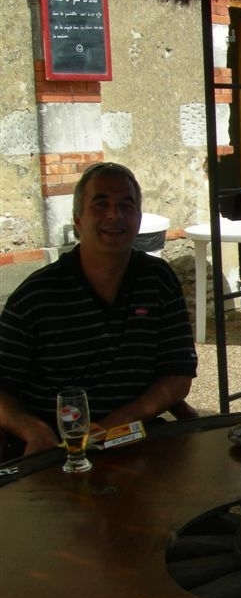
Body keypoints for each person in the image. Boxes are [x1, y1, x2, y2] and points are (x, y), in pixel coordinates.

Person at [0, 162, 198, 457]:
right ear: (78, 220)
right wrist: (32, 429)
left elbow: (178, 373)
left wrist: (115, 424)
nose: (114, 215)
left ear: (138, 218)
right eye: (100, 204)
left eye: (126, 205)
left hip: (135, 441)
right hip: (57, 452)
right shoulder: (37, 296)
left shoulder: (157, 280)